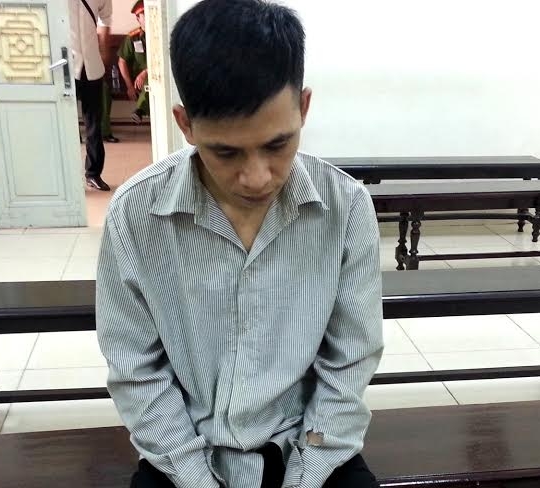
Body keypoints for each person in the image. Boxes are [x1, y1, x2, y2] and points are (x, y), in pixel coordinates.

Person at [96, 1, 383, 487]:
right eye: (225, 152)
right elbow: (137, 372)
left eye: (277, 145)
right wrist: (195, 477)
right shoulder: (136, 214)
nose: (256, 177)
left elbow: (349, 362)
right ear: (185, 124)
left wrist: (305, 476)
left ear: (304, 108)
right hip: (187, 453)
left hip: (307, 446)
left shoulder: (346, 208)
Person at [69, 0, 112, 191]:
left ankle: (93, 174)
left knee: (94, 123)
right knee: (65, 125)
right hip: (65, 66)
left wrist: (103, 52)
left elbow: (105, 19)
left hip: (92, 65)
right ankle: (68, 176)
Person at [118, 0, 149, 124]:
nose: (148, 17)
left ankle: (140, 110)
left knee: (149, 80)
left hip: (156, 77)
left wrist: (146, 72)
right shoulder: (133, 37)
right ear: (138, 18)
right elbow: (122, 61)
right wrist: (129, 86)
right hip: (138, 82)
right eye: (144, 14)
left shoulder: (159, 35)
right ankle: (140, 110)